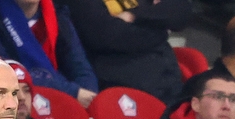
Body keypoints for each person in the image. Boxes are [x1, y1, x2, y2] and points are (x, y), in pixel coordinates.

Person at [59, 0, 192, 104]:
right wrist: (159, 31)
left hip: (168, 78)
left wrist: (134, 15)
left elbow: (181, 12)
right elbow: (106, 36)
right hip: (124, 84)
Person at [0, 0, 98, 107]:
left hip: (65, 100)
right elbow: (11, 72)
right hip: (19, 104)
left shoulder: (57, 13)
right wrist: (74, 92)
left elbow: (79, 64)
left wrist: (89, 94)